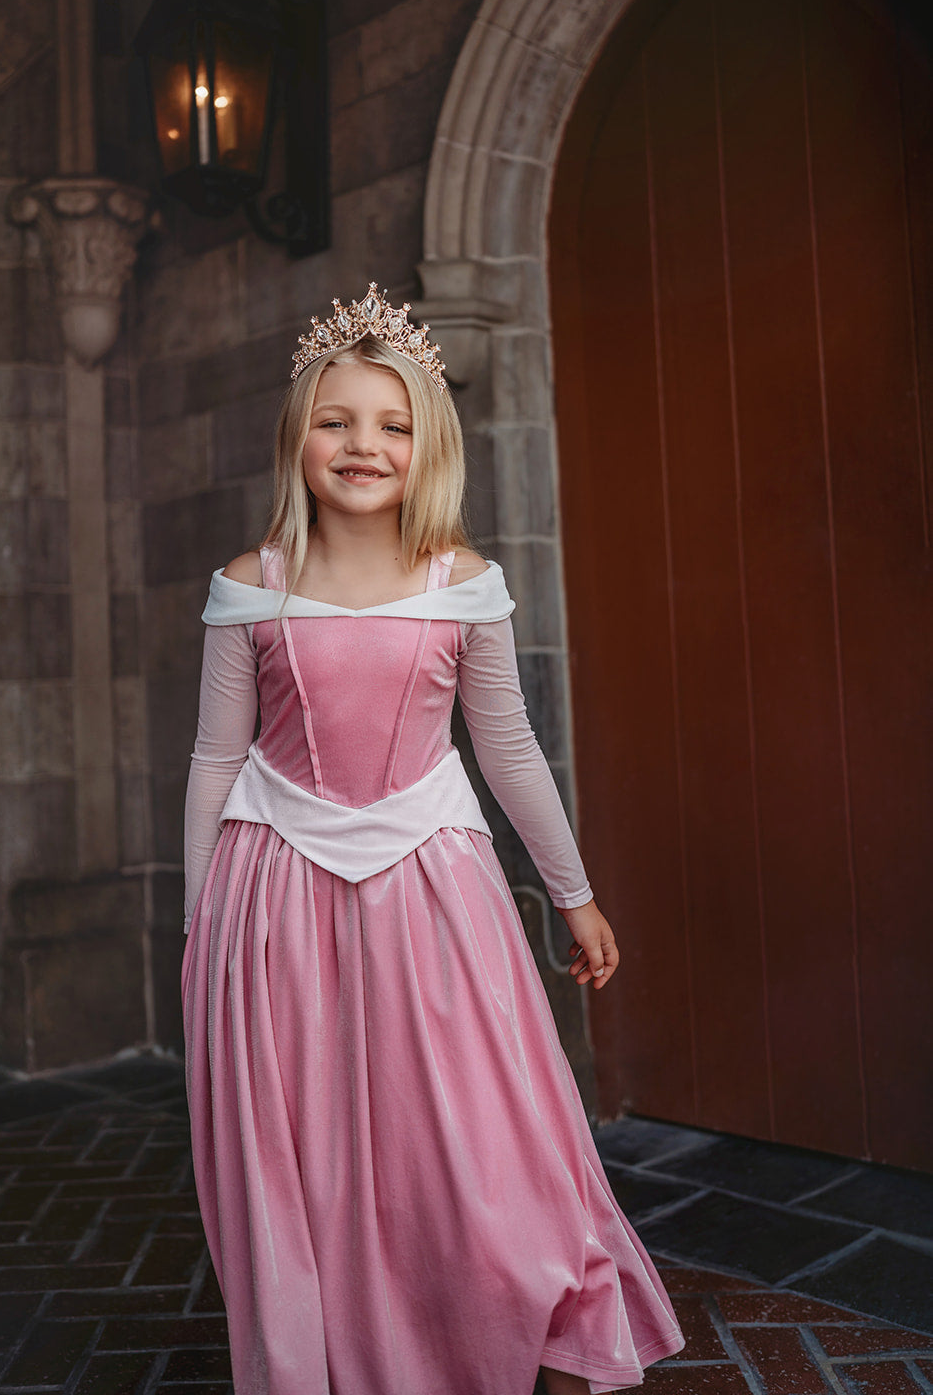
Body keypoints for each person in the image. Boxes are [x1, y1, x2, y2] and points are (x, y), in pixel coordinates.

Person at [181, 284, 684, 1395]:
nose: (363, 444)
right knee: (311, 1149)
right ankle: (340, 1345)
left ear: (428, 444)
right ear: (296, 434)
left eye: (392, 423)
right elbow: (217, 760)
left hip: (432, 893)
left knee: (465, 1131)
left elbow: (505, 748)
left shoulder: (462, 582)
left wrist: (572, 891)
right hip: (279, 899)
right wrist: (199, 922)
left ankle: (524, 1315)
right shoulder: (246, 585)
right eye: (336, 419)